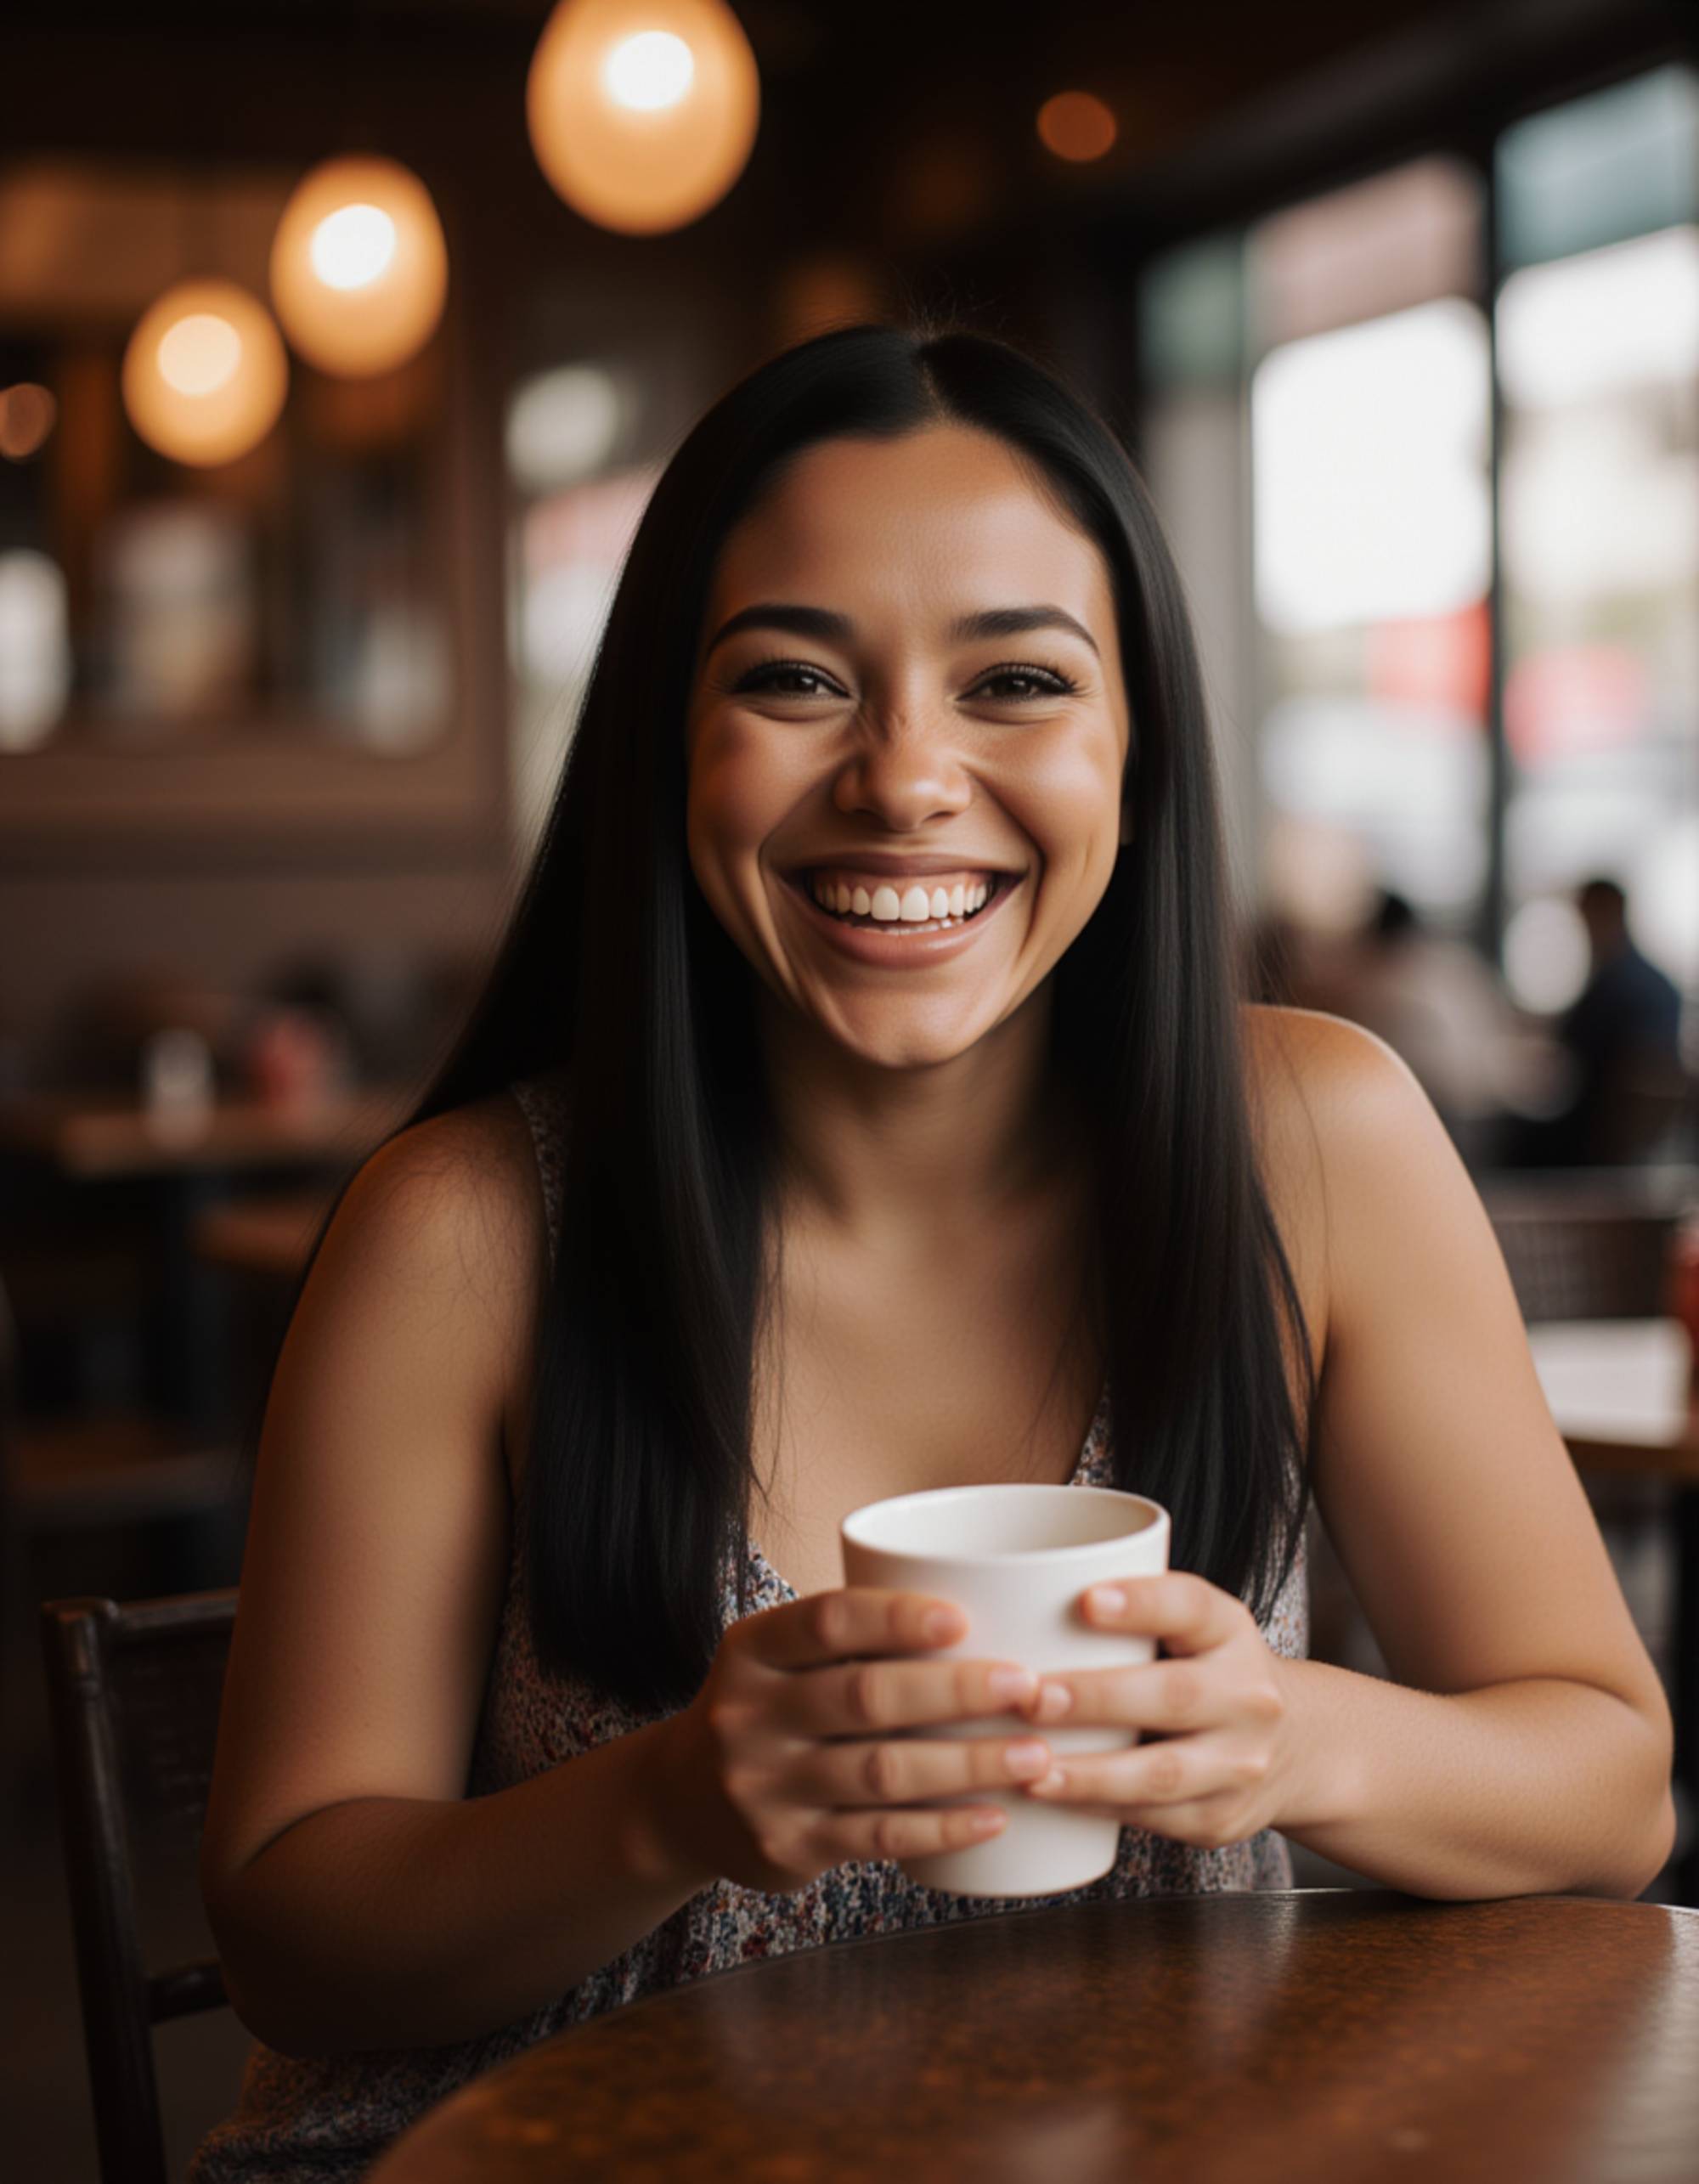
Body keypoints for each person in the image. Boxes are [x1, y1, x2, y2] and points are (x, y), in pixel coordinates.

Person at [189, 324, 1674, 2181]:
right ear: (668, 743)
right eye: (797, 678)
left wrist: (1284, 1738)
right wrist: (667, 1800)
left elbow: (1609, 1782)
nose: (905, 779)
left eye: (1016, 682)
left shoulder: (1316, 1145)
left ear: (1133, 751)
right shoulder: (466, 1228)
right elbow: (287, 1931)